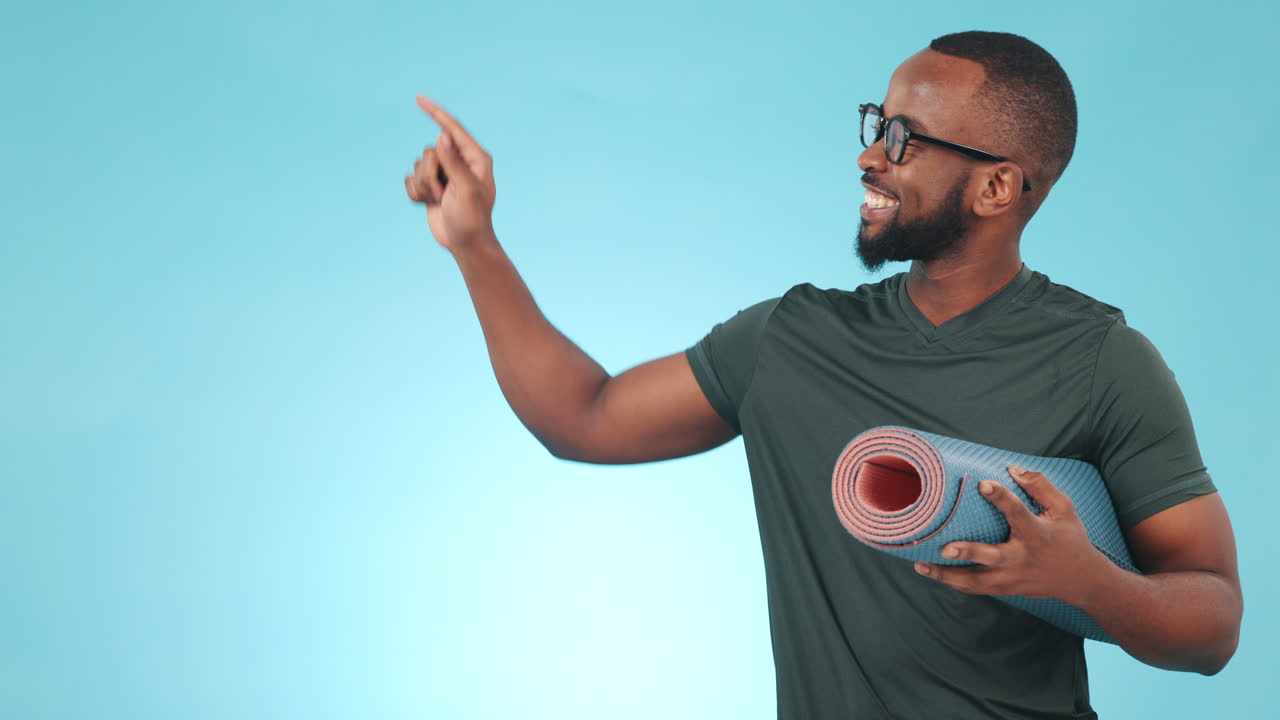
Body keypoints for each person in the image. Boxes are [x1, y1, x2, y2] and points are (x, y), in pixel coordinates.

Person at [403, 30, 1241, 720]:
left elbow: (1213, 625)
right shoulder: (790, 340)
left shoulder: (1100, 362)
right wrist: (475, 244)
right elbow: (581, 417)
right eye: (878, 123)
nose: (870, 158)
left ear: (996, 187)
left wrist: (1091, 584)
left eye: (904, 139)